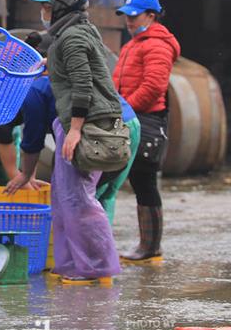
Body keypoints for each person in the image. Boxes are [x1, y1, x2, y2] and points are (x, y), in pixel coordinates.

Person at [6, 0, 123, 284]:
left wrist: (74, 131)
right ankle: (73, 265)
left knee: (79, 200)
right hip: (77, 122)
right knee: (65, 199)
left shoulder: (71, 37)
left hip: (87, 124)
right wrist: (49, 62)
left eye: (46, 6)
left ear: (59, 9)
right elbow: (71, 68)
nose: (42, 11)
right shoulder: (72, 33)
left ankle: (97, 266)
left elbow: (83, 83)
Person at [17, 34, 141, 225]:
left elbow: (33, 139)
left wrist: (26, 174)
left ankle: (87, 249)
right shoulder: (73, 74)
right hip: (129, 123)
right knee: (105, 194)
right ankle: (100, 249)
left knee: (82, 199)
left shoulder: (38, 87)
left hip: (103, 133)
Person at [112, 0, 180, 264]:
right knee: (141, 181)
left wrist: (124, 109)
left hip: (147, 120)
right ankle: (148, 245)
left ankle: (150, 246)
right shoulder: (135, 43)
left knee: (144, 180)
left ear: (151, 16)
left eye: (134, 15)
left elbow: (153, 87)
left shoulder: (156, 44)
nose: (128, 20)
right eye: (126, 15)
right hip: (133, 116)